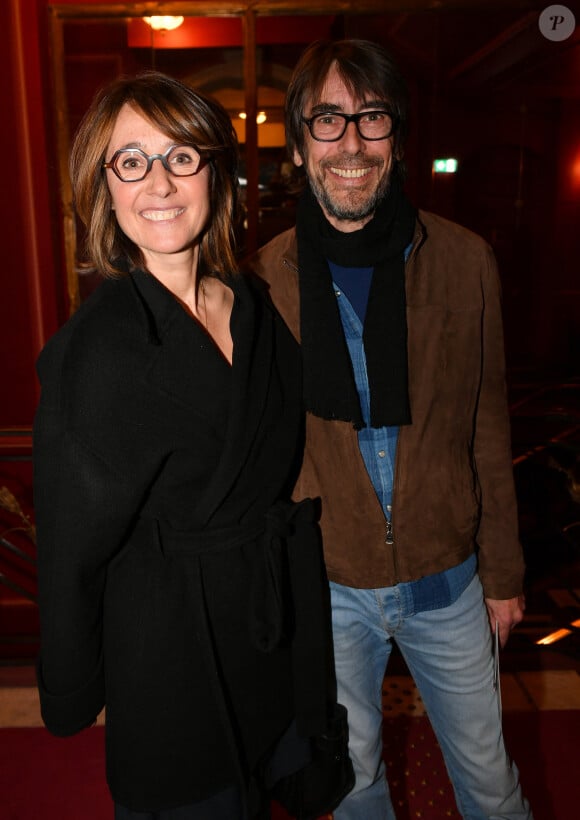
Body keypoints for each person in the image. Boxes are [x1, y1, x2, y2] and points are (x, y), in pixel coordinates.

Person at [33, 71, 334, 820]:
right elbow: (70, 551)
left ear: (215, 172)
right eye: (130, 161)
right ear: (104, 188)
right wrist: (74, 684)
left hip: (267, 631)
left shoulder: (256, 306)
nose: (159, 182)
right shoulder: (94, 354)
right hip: (170, 650)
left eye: (180, 156)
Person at [250, 39, 533, 819]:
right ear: (301, 140)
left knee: (490, 780)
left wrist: (503, 573)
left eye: (370, 117)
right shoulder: (261, 277)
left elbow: (487, 420)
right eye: (328, 119)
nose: (349, 141)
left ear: (397, 137)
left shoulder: (466, 261)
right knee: (354, 785)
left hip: (447, 579)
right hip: (330, 585)